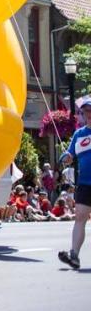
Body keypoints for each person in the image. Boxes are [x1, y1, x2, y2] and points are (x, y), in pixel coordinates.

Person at [57, 98, 91, 270]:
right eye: (85, 111)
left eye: (90, 111)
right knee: (80, 217)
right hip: (85, 183)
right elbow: (70, 155)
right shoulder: (79, 134)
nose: (88, 114)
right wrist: (66, 158)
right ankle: (74, 255)